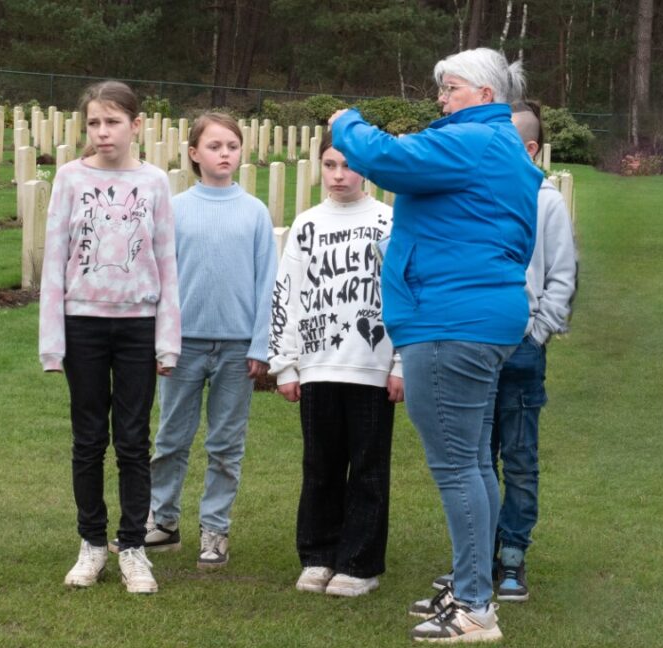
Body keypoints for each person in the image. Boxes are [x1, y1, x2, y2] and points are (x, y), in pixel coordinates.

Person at [329, 47, 543, 643]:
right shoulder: (495, 145)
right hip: (472, 319)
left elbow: (384, 157)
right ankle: (471, 584)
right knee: (473, 461)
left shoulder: (473, 140)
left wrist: (345, 120)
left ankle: (475, 606)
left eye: (448, 88)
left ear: (482, 92)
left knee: (456, 466)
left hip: (450, 322)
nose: (441, 100)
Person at [428, 101, 578, 604]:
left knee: (518, 457)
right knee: (472, 457)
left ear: (530, 149)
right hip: (472, 338)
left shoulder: (544, 200)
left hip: (518, 347)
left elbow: (560, 275)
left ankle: (512, 556)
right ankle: (473, 561)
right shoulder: (475, 191)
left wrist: (537, 334)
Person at [39, 80, 180, 595]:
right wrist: (52, 344)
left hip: (139, 325)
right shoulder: (71, 179)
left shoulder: (156, 183)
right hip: (84, 324)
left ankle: (133, 547)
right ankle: (92, 543)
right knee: (88, 439)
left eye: (113, 122)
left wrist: (168, 342)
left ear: (136, 125)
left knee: (133, 441)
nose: (103, 132)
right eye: (94, 122)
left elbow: (167, 263)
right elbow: (54, 259)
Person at [268, 134, 403, 598]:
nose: (339, 175)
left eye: (348, 165)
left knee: (367, 468)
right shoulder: (306, 225)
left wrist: (400, 362)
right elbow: (287, 295)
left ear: (365, 169)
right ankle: (319, 554)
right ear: (319, 168)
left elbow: (405, 295)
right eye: (330, 165)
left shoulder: (389, 222)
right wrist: (284, 364)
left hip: (370, 368)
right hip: (318, 367)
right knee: (320, 466)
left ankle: (359, 563)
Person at [147, 112, 277, 570]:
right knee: (171, 438)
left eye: (232, 146)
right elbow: (160, 278)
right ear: (194, 153)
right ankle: (162, 520)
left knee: (225, 444)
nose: (225, 154)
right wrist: (162, 341)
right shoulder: (175, 209)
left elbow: (267, 285)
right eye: (215, 146)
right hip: (184, 346)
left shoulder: (255, 212)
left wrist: (260, 346)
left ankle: (215, 529)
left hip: (238, 349)